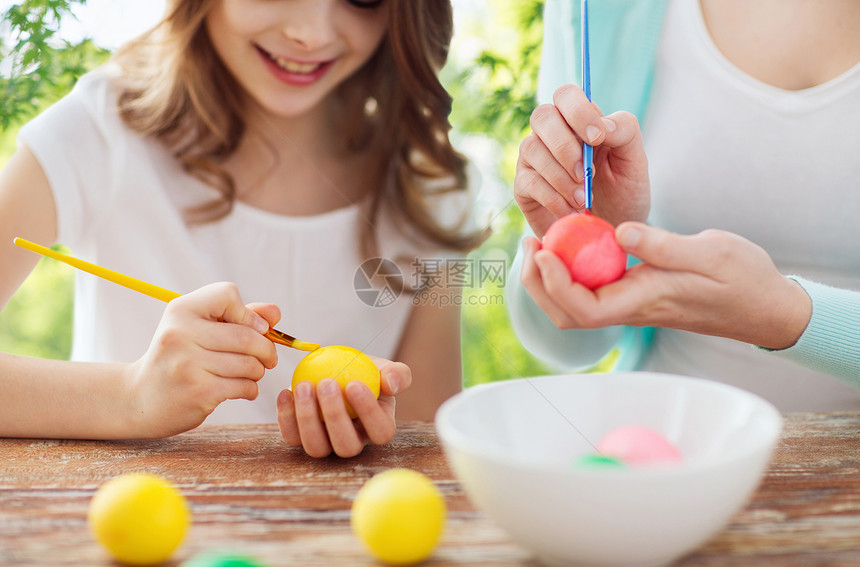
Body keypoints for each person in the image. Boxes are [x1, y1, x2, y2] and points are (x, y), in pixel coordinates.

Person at [0, 0, 486, 456]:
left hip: (332, 538)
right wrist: (131, 395)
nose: (308, 34)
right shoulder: (99, 132)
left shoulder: (431, 192)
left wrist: (375, 433)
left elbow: (429, 446)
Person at [508, 0, 860, 411]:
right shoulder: (596, 10)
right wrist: (582, 247)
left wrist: (789, 317)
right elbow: (565, 348)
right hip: (658, 446)